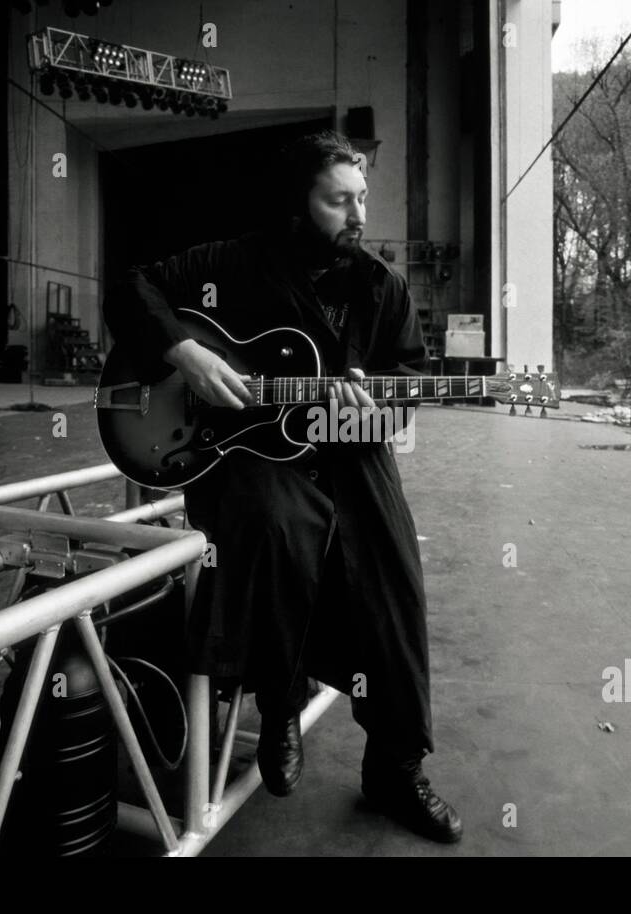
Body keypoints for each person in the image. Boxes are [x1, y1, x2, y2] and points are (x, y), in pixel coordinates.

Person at [103, 130, 461, 844]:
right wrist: (184, 351)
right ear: (298, 205)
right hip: (242, 454)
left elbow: (409, 377)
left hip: (350, 456)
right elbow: (130, 284)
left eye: (362, 199)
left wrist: (381, 399)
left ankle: (395, 767)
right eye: (338, 201)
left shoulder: (380, 288)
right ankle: (280, 702)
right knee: (277, 530)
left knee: (392, 573)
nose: (357, 216)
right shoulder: (233, 264)